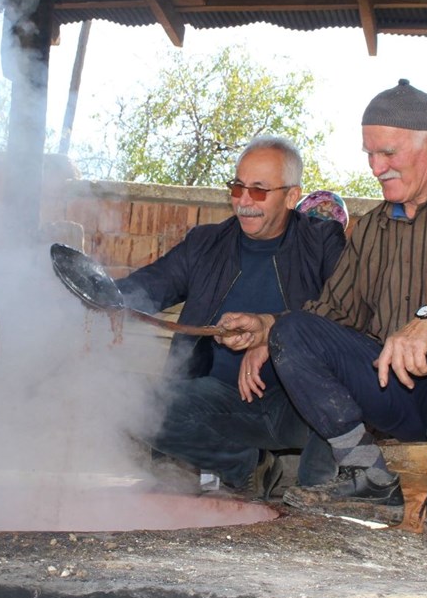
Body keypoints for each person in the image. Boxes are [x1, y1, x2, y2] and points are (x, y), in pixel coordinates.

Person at [217, 80, 427, 548]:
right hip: (406, 398)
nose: (375, 167)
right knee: (294, 331)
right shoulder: (372, 230)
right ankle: (369, 475)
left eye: (386, 153)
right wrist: (267, 330)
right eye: (368, 154)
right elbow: (330, 311)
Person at [117, 135, 346, 499]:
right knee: (127, 403)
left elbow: (347, 311)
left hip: (299, 406)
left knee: (346, 386)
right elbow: (147, 287)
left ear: (291, 196)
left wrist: (274, 332)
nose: (242, 201)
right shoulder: (205, 243)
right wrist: (99, 295)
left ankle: (317, 497)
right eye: (238, 187)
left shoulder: (323, 242)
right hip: (221, 401)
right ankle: (246, 468)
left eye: (258, 191)